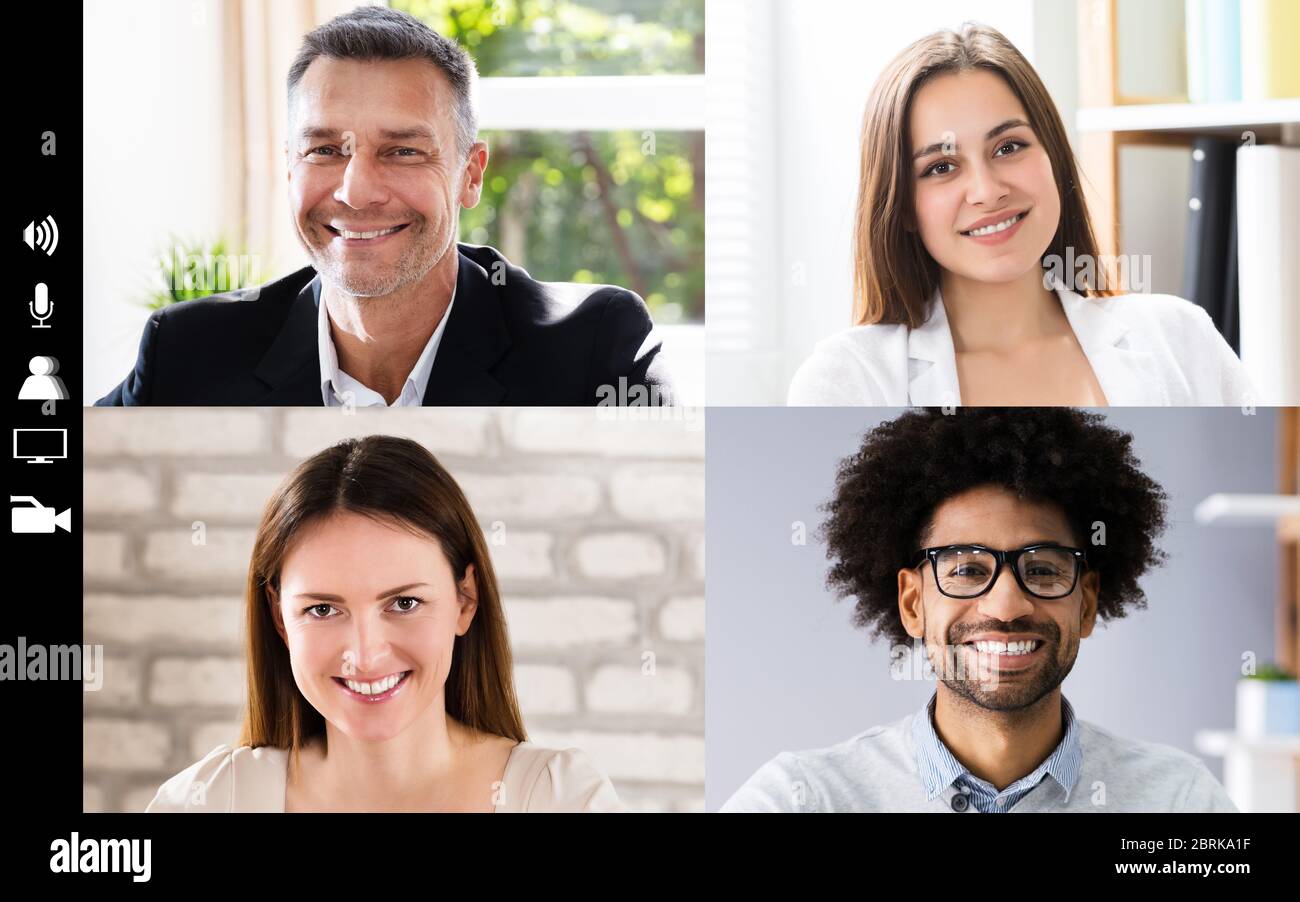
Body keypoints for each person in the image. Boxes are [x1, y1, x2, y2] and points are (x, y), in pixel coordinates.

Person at [98, 6, 672, 407]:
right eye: (325, 149)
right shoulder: (186, 355)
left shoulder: (595, 349)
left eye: (402, 151)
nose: (356, 190)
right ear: (290, 167)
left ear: (469, 175)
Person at [722, 408, 1237, 813]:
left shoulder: (1179, 800)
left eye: (1042, 570)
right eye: (967, 570)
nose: (1007, 605)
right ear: (913, 603)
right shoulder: (802, 799)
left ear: (1087, 602)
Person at [147, 435, 622, 812]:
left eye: (404, 603)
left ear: (465, 599)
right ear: (279, 617)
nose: (366, 654)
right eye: (322, 609)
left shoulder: (562, 800)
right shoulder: (207, 802)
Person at [788, 23, 1255, 407]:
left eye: (1008, 147)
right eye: (941, 167)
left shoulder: (1180, 339)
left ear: (1052, 155)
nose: (988, 191)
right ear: (904, 207)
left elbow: (1264, 513)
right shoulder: (847, 384)